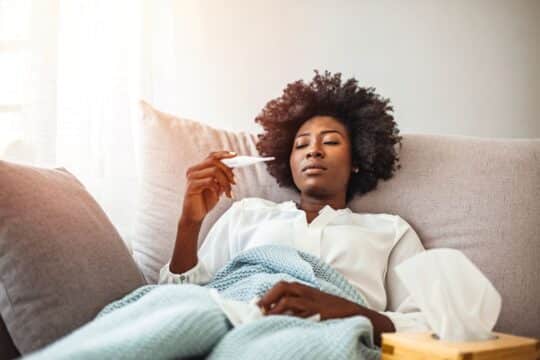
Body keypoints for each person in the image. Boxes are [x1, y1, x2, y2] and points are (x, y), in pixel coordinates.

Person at [159, 70, 430, 347]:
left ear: (357, 159)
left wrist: (347, 311)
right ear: (288, 162)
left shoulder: (391, 231)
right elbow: (180, 302)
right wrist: (189, 224)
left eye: (331, 141)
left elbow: (429, 326)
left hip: (330, 342)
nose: (313, 151)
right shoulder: (247, 213)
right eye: (301, 145)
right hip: (233, 328)